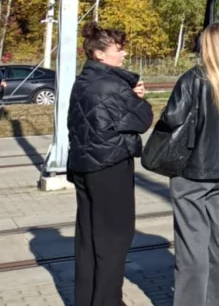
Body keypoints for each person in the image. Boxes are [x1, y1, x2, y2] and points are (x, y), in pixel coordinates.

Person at [159, 23, 219, 306]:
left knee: (192, 246)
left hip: (191, 172)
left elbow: (172, 118)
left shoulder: (193, 78)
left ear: (206, 46)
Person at [67, 23, 153, 306]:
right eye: (118, 49)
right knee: (114, 239)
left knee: (88, 238)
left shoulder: (82, 82)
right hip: (110, 166)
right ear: (100, 54)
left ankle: (87, 299)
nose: (124, 53)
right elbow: (142, 120)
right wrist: (139, 98)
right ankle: (107, 301)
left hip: (83, 166)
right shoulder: (113, 85)